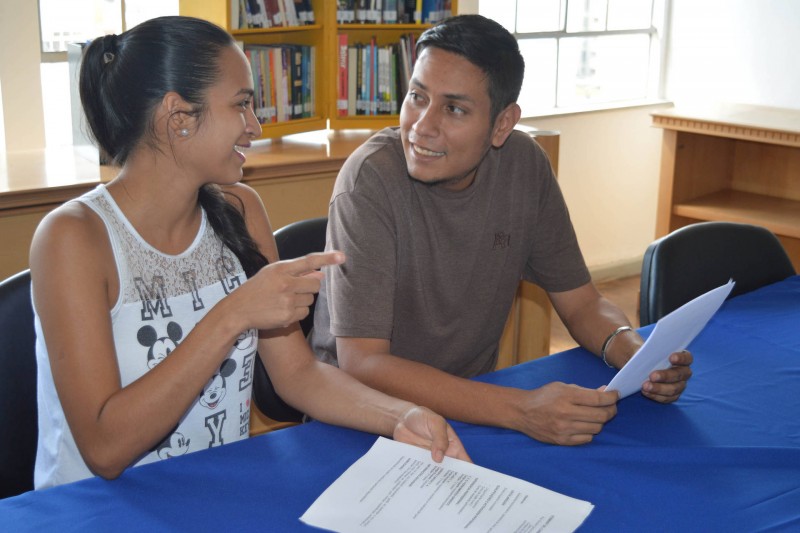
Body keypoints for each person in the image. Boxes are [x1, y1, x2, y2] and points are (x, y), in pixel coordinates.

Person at [29, 16, 469, 490]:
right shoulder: (73, 237)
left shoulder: (240, 209)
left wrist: (401, 415)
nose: (255, 126)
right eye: (241, 105)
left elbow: (299, 374)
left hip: (211, 493)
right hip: (95, 508)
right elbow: (104, 450)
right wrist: (233, 314)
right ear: (178, 117)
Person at [309, 14, 693, 446]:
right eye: (417, 97)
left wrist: (636, 356)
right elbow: (363, 364)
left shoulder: (524, 166)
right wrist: (520, 410)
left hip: (470, 409)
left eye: (454, 109)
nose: (422, 126)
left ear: (502, 124)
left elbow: (583, 303)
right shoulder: (370, 180)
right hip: (358, 418)